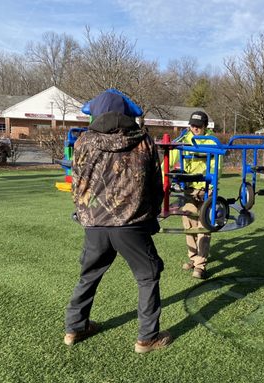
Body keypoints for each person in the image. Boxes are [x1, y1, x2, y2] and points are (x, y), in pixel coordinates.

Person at [64, 90, 172, 354]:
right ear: (126, 114)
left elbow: (76, 185)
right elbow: (155, 185)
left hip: (94, 224)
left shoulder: (83, 142)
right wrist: (151, 214)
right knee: (148, 275)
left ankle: (74, 328)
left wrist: (83, 214)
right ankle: (147, 338)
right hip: (132, 223)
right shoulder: (143, 140)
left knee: (89, 275)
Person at [170, 111, 221, 280]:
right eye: (192, 125)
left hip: (206, 188)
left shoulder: (212, 141)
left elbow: (216, 165)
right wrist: (161, 172)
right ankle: (193, 258)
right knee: (189, 226)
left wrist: (212, 184)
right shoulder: (184, 139)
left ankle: (200, 266)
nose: (195, 128)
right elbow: (171, 156)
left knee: (204, 227)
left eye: (198, 126)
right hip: (189, 187)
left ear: (205, 126)